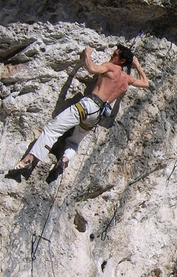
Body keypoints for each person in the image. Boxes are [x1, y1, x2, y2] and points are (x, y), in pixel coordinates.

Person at [10, 44, 149, 179]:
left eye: (115, 55)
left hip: (88, 105)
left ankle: (29, 160)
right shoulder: (127, 79)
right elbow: (145, 83)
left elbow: (92, 69)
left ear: (122, 61)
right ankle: (64, 159)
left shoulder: (111, 67)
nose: (111, 55)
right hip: (98, 114)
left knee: (52, 129)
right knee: (74, 142)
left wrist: (88, 54)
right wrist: (137, 66)